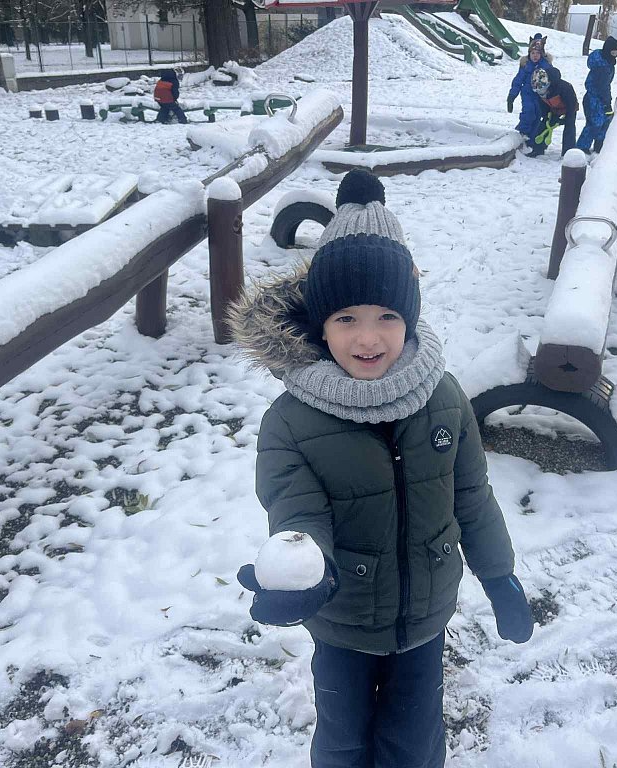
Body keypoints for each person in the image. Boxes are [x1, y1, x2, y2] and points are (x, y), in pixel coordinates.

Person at [229, 169, 534, 768]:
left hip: (425, 618)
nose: (368, 338)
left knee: (413, 745)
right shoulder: (290, 422)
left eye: (387, 316)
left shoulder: (444, 398)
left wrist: (499, 577)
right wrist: (304, 573)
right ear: (320, 325)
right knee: (343, 742)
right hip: (342, 620)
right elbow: (298, 511)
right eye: (346, 318)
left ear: (410, 319)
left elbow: (471, 497)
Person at [576, 36, 617, 154]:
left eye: (616, 52)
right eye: (613, 52)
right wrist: (607, 101)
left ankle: (599, 145)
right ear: (607, 51)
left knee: (605, 121)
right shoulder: (602, 66)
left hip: (600, 98)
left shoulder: (608, 62)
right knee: (595, 123)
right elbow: (603, 86)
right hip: (594, 98)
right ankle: (582, 147)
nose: (615, 55)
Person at [507, 34, 552, 146]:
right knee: (529, 112)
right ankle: (521, 133)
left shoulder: (546, 65)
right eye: (533, 53)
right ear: (529, 54)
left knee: (537, 116)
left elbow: (552, 80)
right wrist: (512, 96)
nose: (535, 56)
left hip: (540, 95)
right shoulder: (526, 65)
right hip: (527, 93)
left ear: (542, 54)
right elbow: (518, 81)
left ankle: (531, 140)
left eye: (538, 53)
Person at [530, 65, 578, 157]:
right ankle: (538, 149)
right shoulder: (539, 90)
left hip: (569, 108)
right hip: (553, 108)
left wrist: (567, 118)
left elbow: (571, 105)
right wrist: (547, 116)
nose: (542, 93)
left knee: (569, 127)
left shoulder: (564, 88)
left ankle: (568, 153)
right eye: (539, 91)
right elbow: (543, 106)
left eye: (543, 90)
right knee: (543, 126)